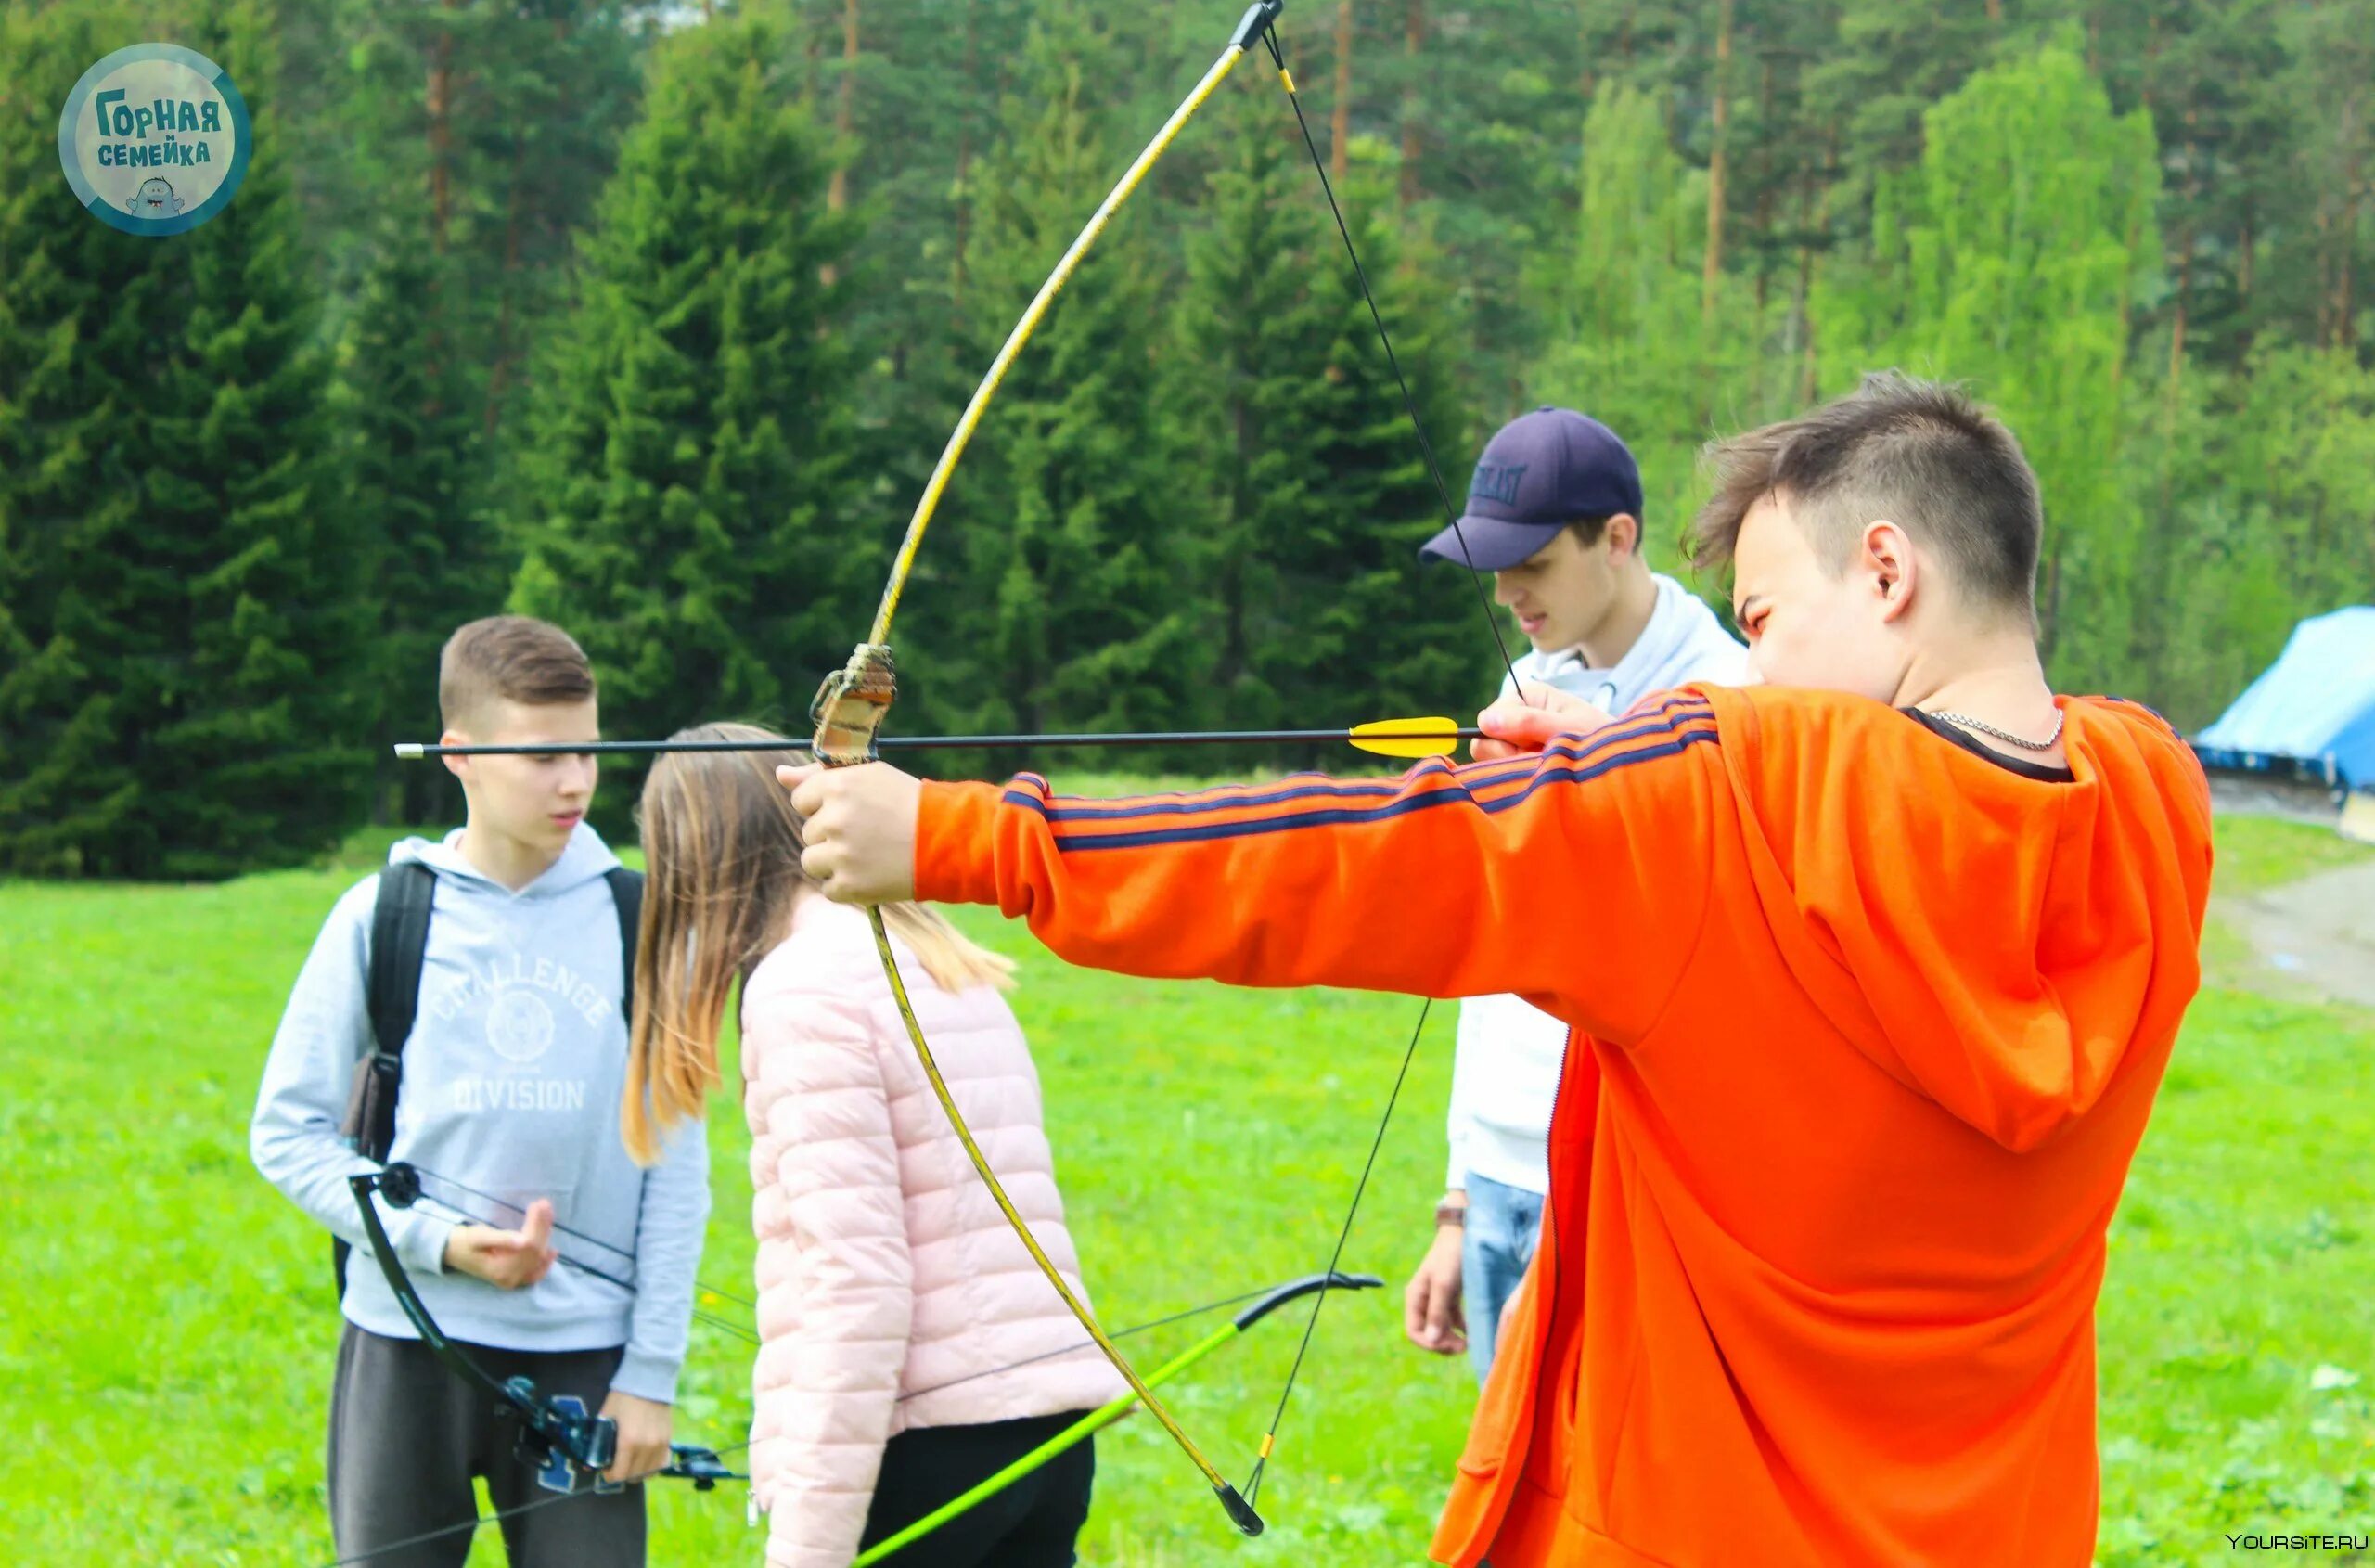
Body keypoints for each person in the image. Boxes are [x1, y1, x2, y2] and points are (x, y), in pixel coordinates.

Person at [777, 373, 2215, 1567]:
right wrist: (1610, 786)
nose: (1754, 665)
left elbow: (1350, 861)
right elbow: (1988, 768)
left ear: (1887, 569)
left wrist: (966, 834)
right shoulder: (2153, 806)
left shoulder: (1730, 791)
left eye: (1765, 619)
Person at [250, 616, 710, 1567]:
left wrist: (651, 1377)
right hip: (404, 1341)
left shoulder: (644, 921)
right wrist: (441, 1245)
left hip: (587, 1359)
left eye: (586, 748)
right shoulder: (383, 915)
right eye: (542, 756)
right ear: (459, 755)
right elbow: (287, 1135)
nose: (575, 781)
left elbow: (678, 1167)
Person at [625, 723, 1125, 1568]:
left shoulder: (801, 987)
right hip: (1047, 1440)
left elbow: (856, 1288)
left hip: (929, 1455)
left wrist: (806, 1549)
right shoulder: (932, 951)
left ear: (699, 864)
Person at [1408, 407, 1744, 1379]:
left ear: (1618, 538)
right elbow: (1498, 947)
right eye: (1493, 564)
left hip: (1625, 1190)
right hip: (1500, 1183)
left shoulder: (1732, 700)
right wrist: (1457, 1199)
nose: (1507, 590)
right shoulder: (1527, 683)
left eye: (1534, 561)